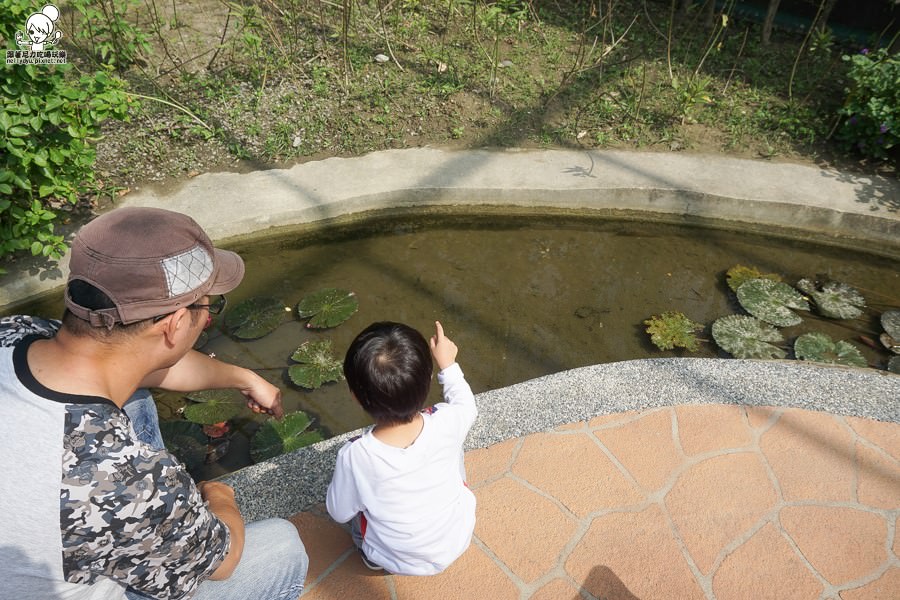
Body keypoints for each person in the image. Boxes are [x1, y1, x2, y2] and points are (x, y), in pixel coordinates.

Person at [0, 207, 308, 600]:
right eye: (208, 307)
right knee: (283, 547)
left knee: (136, 399)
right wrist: (218, 496)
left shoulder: (17, 333)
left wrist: (244, 378)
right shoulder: (123, 480)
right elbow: (223, 559)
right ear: (176, 324)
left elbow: (142, 368)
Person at [326, 320, 478, 575]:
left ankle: (373, 558)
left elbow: (339, 511)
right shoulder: (448, 418)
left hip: (397, 558)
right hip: (456, 538)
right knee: (454, 449)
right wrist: (448, 365)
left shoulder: (356, 455)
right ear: (429, 378)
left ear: (354, 395)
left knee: (358, 513)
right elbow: (466, 403)